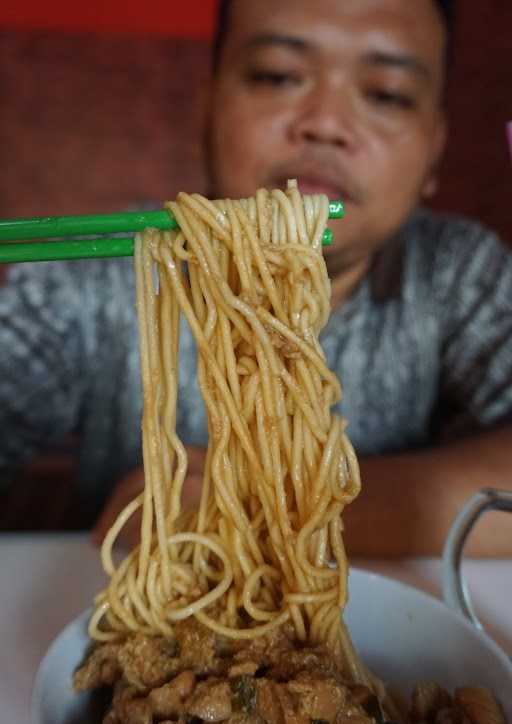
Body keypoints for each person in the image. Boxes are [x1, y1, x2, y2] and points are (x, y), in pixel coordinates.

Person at [1, 0, 511, 555]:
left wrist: (259, 508)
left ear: (433, 150)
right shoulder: (97, 272)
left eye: (386, 93)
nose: (325, 123)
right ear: (208, 106)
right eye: (277, 75)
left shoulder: (456, 271)